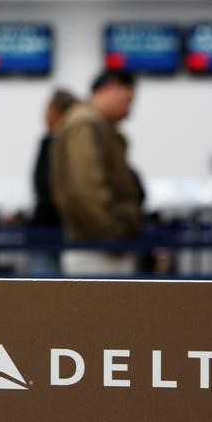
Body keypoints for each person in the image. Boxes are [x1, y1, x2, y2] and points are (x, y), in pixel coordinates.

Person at [50, 70, 143, 276]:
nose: (129, 111)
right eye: (128, 100)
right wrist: (114, 238)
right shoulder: (85, 125)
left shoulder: (95, 125)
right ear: (112, 87)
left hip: (100, 245)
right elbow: (85, 191)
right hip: (98, 249)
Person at [28, 89, 78, 275]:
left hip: (54, 230)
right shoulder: (50, 141)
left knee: (44, 294)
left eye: (49, 108)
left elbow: (47, 186)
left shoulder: (61, 143)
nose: (44, 114)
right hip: (50, 230)